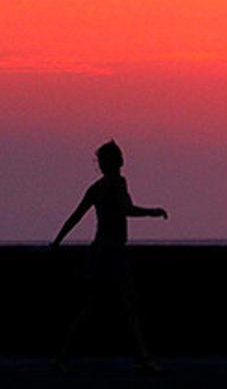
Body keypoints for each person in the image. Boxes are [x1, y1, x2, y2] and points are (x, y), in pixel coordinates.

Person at [50, 140, 169, 373]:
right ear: (119, 162)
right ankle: (143, 358)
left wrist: (57, 241)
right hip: (113, 253)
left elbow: (75, 216)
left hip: (99, 252)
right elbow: (126, 209)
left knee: (94, 306)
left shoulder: (96, 188)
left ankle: (64, 355)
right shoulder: (118, 183)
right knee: (126, 305)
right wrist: (152, 212)